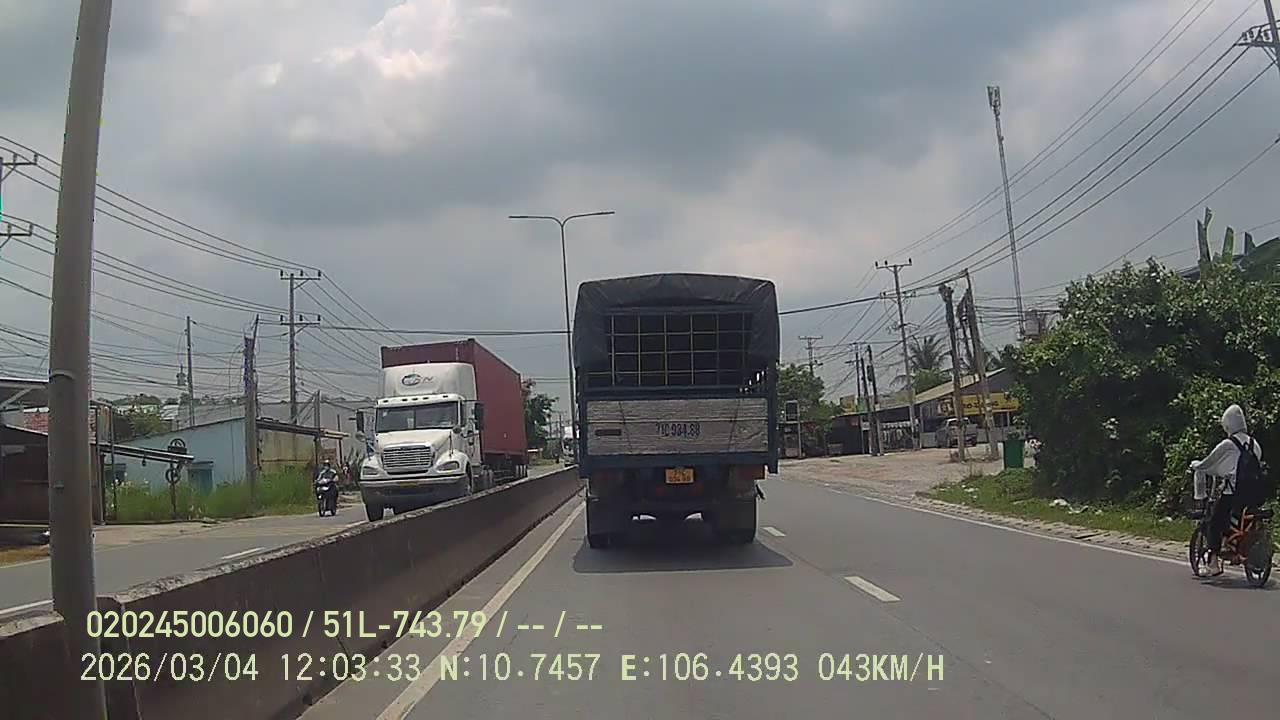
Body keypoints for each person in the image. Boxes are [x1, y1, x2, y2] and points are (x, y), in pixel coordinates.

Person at [1191, 404, 1264, 576]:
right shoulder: (1255, 444)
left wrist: (1196, 465)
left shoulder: (1228, 444)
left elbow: (1208, 463)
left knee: (1214, 522)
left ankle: (1214, 562)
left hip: (1233, 494)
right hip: (1254, 495)